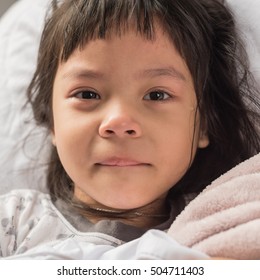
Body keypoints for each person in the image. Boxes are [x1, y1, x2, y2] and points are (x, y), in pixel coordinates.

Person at [0, 0, 259, 259]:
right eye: (87, 94)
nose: (119, 122)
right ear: (53, 122)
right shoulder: (13, 220)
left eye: (157, 95)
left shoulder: (219, 221)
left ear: (204, 123)